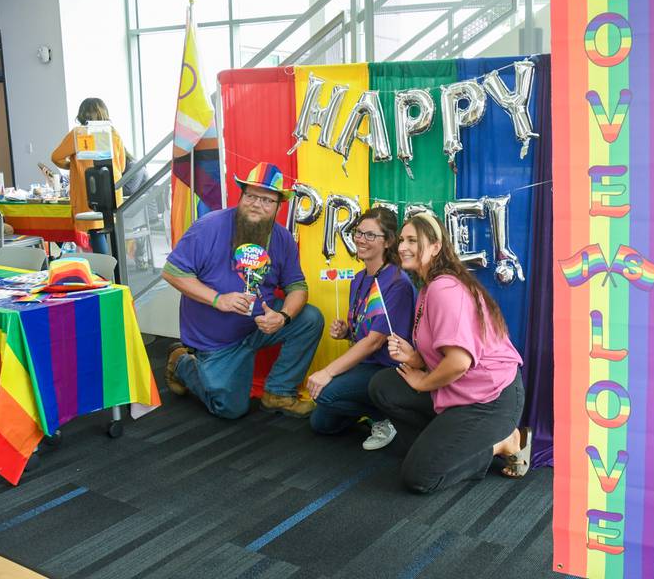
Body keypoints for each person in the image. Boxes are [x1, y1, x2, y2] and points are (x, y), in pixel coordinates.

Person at [369, 213, 531, 494]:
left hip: (490, 399)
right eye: (401, 241)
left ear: (435, 247)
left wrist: (421, 381)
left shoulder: (444, 288)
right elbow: (446, 356)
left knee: (419, 477)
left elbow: (459, 362)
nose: (403, 247)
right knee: (383, 386)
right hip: (457, 390)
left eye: (412, 241)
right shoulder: (428, 288)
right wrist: (415, 359)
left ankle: (505, 441)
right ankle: (440, 448)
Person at [162, 161, 324, 419]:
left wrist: (283, 317)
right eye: (251, 195)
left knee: (310, 318)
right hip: (217, 340)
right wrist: (218, 299)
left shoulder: (282, 238)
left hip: (259, 327)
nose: (257, 204)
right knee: (230, 409)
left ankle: (278, 392)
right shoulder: (209, 227)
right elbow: (172, 272)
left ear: (278, 206)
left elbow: (297, 287)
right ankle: (182, 363)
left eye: (267, 200)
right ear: (242, 195)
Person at [307, 207, 415, 450]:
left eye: (370, 235)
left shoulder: (398, 283)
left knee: (325, 392)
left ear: (388, 241)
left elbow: (376, 341)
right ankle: (369, 409)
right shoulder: (358, 278)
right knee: (321, 423)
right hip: (365, 365)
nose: (360, 239)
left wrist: (328, 372)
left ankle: (386, 416)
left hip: (389, 370)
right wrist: (347, 332)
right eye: (358, 232)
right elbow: (362, 334)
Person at [50, 98, 127, 255]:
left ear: (82, 114)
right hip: (112, 188)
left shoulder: (78, 134)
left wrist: (71, 166)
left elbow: (56, 157)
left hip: (90, 189)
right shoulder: (113, 133)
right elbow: (122, 165)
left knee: (95, 230)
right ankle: (114, 270)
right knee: (109, 230)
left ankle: (104, 274)